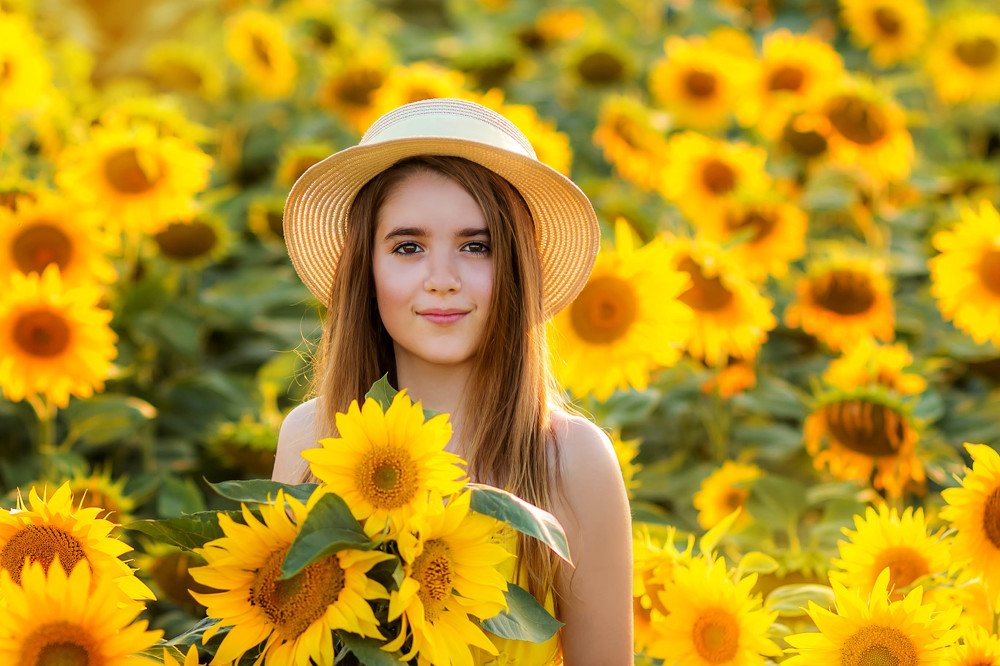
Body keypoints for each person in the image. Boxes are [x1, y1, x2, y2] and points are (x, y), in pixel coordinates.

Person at [272, 97, 633, 664]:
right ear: (365, 268)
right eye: (408, 247)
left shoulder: (571, 461)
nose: (441, 279)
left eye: (476, 246)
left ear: (516, 268)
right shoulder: (310, 437)